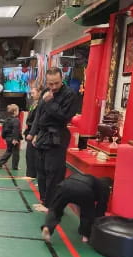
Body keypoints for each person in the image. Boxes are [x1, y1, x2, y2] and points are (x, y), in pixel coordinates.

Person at [28, 67, 80, 212]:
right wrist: (34, 133)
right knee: (41, 170)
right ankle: (44, 201)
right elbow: (39, 114)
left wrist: (50, 103)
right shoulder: (45, 92)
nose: (53, 87)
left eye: (56, 83)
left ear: (61, 79)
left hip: (58, 136)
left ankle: (51, 205)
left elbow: (64, 116)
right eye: (50, 84)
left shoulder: (70, 95)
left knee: (54, 172)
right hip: (43, 136)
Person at [41, 173, 113, 243]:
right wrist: (97, 224)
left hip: (64, 185)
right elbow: (101, 208)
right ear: (110, 187)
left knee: (55, 209)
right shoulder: (104, 187)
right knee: (88, 213)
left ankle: (48, 227)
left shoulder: (91, 178)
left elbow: (77, 201)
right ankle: (85, 236)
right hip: (84, 189)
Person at [0, 104, 22, 170]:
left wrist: (4, 137)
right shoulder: (16, 120)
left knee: (8, 151)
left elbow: (3, 130)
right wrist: (15, 139)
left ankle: (0, 162)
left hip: (7, 138)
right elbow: (16, 130)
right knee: (15, 153)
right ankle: (15, 166)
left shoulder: (6, 120)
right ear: (15, 112)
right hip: (13, 139)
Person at [24, 86, 42, 178]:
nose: (31, 95)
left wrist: (35, 134)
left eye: (33, 93)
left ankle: (33, 174)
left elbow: (38, 120)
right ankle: (30, 174)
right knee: (29, 154)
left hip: (35, 132)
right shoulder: (34, 103)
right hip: (30, 130)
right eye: (31, 93)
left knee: (33, 154)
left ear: (39, 92)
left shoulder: (40, 104)